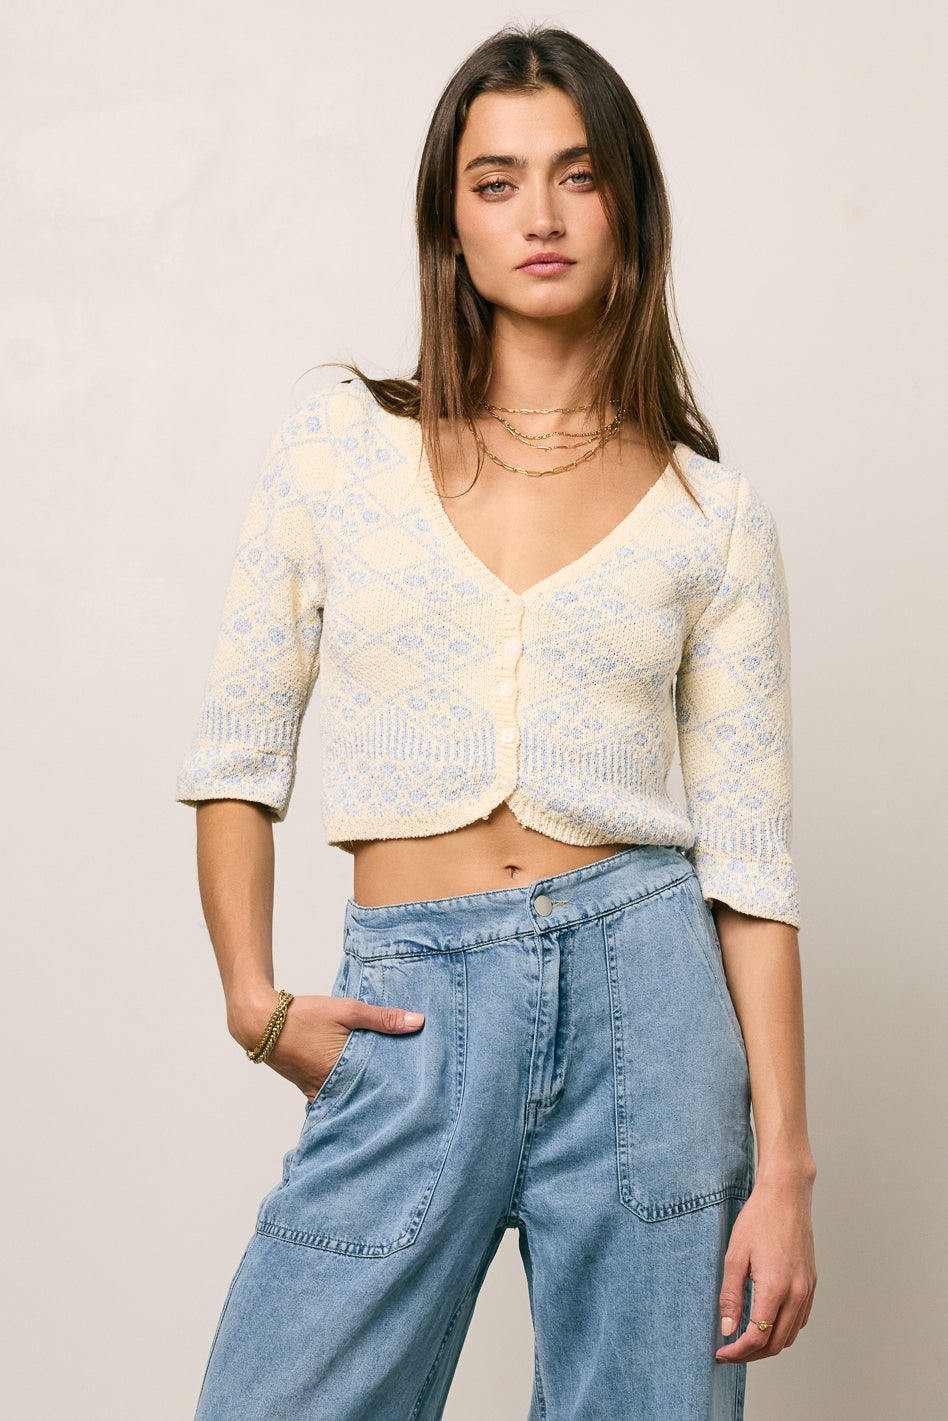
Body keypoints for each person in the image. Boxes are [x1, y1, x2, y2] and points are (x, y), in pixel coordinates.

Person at [175, 24, 817, 1421]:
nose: (539, 215)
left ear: (627, 209)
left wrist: (784, 1171)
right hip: (412, 1007)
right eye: (496, 181)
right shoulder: (341, 449)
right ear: (448, 223)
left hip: (652, 1013)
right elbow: (238, 750)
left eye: (577, 176)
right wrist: (253, 1002)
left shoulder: (712, 517)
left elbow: (751, 868)